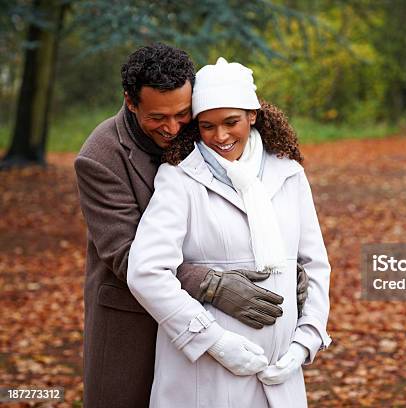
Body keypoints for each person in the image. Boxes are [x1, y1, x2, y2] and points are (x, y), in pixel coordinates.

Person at [75, 44, 306, 408]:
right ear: (131, 102)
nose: (171, 128)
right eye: (157, 118)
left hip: (207, 323)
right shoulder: (99, 158)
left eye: (182, 114)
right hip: (133, 321)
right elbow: (126, 257)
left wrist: (282, 266)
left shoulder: (205, 129)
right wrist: (211, 283)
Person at [127, 57, 332, 407]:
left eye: (231, 122)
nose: (220, 136)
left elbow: (314, 265)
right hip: (205, 379)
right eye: (207, 126)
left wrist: (304, 343)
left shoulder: (288, 174)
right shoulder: (180, 179)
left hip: (280, 376)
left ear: (253, 115)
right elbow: (146, 272)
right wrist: (214, 342)